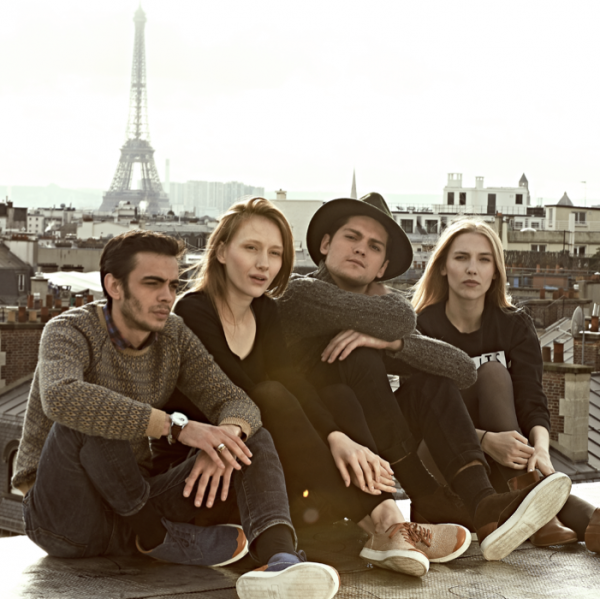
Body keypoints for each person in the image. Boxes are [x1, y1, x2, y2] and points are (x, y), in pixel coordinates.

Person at [12, 229, 340, 599]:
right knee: (85, 415)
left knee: (249, 435)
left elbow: (236, 401)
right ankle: (154, 535)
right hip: (66, 518)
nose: (167, 296)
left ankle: (280, 560)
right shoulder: (69, 330)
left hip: (135, 502)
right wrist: (176, 428)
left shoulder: (173, 335)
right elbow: (61, 397)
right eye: (152, 283)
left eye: (172, 284)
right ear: (114, 286)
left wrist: (223, 441)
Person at [158, 197, 471, 579]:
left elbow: (293, 381)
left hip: (273, 472)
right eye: (251, 248)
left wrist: (338, 436)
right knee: (270, 394)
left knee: (335, 394)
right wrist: (331, 435)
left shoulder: (264, 311)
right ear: (221, 251)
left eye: (274, 253)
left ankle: (389, 523)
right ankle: (385, 526)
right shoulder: (193, 311)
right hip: (208, 477)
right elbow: (243, 395)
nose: (263, 264)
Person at [276, 192, 573, 562]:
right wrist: (384, 331)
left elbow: (462, 369)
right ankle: (425, 497)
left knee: (430, 383)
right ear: (325, 245)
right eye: (351, 237)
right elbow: (400, 314)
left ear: (382, 267)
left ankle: (482, 503)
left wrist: (394, 343)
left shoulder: (380, 316)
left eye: (374, 246)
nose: (361, 250)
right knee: (358, 362)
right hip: (315, 459)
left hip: (375, 460)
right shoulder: (299, 293)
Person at [413, 218, 599, 552]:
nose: (472, 269)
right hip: (444, 466)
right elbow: (418, 417)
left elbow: (532, 401)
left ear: (496, 271)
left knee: (493, 375)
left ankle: (548, 510)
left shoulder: (514, 324)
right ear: (442, 266)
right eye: (461, 258)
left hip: (504, 471)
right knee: (493, 373)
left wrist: (540, 450)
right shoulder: (422, 327)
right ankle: (551, 513)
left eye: (484, 259)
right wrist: (485, 441)